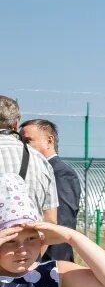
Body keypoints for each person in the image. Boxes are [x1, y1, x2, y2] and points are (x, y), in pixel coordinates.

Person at [20, 120, 82, 261]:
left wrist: (45, 265)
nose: (22, 146)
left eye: (28, 141)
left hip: (51, 262)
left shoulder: (60, 173)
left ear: (50, 140)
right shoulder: (37, 171)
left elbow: (62, 224)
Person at [0, 97, 59, 228]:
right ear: (16, 124)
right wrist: (33, 248)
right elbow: (50, 221)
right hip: (28, 246)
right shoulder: (41, 161)